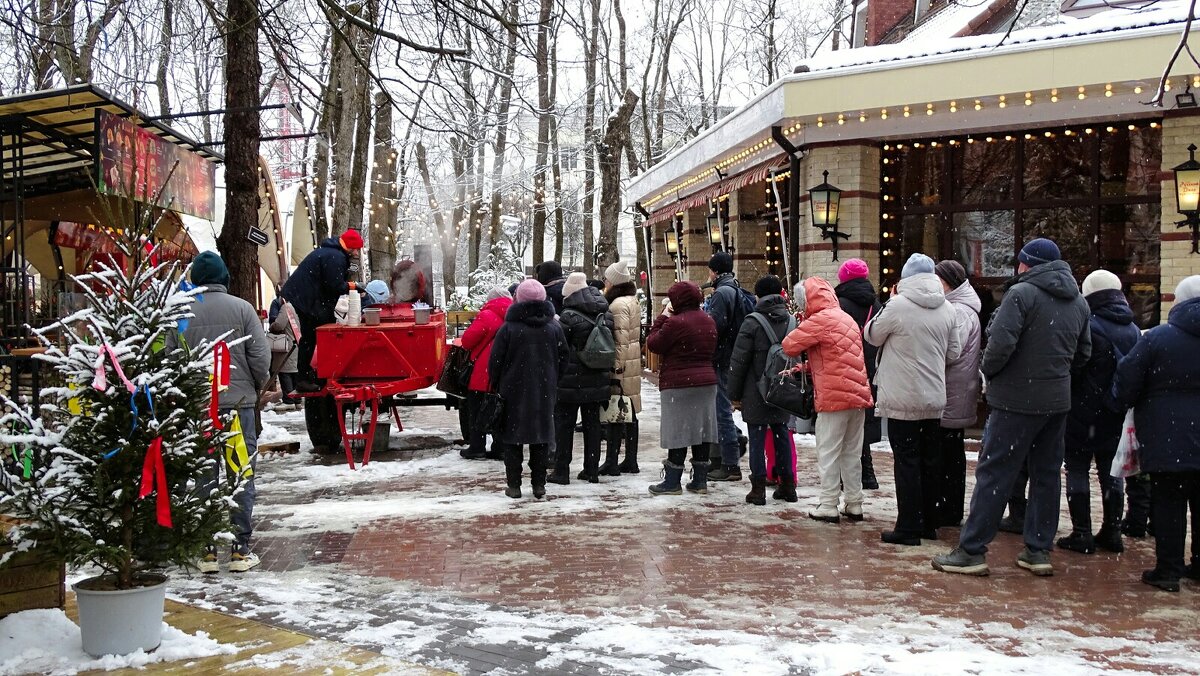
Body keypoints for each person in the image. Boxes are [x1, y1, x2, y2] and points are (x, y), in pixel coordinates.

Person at [933, 238, 1090, 577]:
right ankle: (1038, 550)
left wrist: (991, 371)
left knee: (995, 473)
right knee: (1047, 475)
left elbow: (1000, 346)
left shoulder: (1021, 294)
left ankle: (972, 550)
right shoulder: (1077, 300)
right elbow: (1083, 354)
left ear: (1025, 264)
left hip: (1015, 401)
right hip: (1056, 401)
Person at [179, 252, 271, 573]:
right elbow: (261, 359)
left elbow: (173, 360)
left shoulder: (183, 313)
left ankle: (205, 550)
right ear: (224, 277)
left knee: (204, 476)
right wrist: (253, 388)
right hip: (237, 408)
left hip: (200, 411)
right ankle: (239, 549)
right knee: (239, 474)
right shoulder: (243, 309)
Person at [1111, 275, 1200, 592]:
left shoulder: (1158, 339)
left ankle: (1168, 570)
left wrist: (1124, 400)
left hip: (1167, 437)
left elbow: (1127, 383)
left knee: (1169, 503)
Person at [864, 253, 960, 545]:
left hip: (903, 398)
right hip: (933, 398)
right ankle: (928, 523)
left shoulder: (897, 305)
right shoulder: (947, 308)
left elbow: (871, 335)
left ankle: (908, 526)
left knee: (906, 462)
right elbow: (954, 353)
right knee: (930, 461)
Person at [1059, 269, 1140, 554]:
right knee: (1111, 471)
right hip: (1114, 412)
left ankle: (1082, 533)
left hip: (1082, 411)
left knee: (1077, 468)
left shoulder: (1089, 325)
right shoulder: (1132, 328)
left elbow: (1076, 366)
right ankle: (1113, 531)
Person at [783, 276, 875, 520]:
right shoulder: (845, 318)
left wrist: (803, 322)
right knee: (851, 454)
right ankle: (854, 503)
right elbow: (836, 356)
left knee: (829, 452)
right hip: (857, 396)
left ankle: (827, 505)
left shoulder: (820, 320)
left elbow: (789, 345)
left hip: (834, 398)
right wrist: (805, 369)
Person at [488, 279, 569, 499]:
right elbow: (564, 358)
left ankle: (514, 485)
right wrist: (553, 381)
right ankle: (538, 485)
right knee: (541, 438)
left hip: (512, 391)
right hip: (544, 391)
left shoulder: (509, 328)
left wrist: (498, 384)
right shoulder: (553, 327)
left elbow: (495, 361)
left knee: (512, 439)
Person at [728, 276, 797, 506]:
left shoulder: (752, 322)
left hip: (755, 389)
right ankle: (787, 485)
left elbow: (739, 362)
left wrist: (734, 394)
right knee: (781, 435)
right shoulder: (790, 320)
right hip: (782, 388)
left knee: (757, 438)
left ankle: (758, 489)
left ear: (758, 295)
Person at [647, 281, 718, 496]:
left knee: (677, 432)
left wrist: (663, 316)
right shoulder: (708, 320)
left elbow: (653, 343)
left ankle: (672, 481)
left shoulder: (675, 323)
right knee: (702, 431)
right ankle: (700, 480)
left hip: (679, 384)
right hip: (706, 382)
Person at [549, 273, 615, 484]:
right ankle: (591, 470)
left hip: (569, 381)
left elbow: (560, 348)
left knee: (564, 426)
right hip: (597, 377)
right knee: (593, 425)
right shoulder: (605, 312)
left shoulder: (567, 317)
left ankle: (561, 471)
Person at [280, 229, 364, 391]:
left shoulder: (330, 252)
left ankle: (311, 372)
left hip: (305, 297)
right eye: (356, 249)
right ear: (351, 247)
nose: (356, 253)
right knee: (317, 335)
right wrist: (353, 286)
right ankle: (310, 375)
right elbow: (334, 285)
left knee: (314, 334)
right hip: (307, 300)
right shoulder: (336, 257)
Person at [933, 260, 982, 528]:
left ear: (948, 282)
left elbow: (951, 350)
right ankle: (947, 506)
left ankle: (948, 509)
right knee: (951, 452)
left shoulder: (959, 311)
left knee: (948, 454)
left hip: (952, 391)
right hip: (954, 389)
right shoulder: (958, 308)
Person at [834, 258, 883, 490]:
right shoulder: (876, 303)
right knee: (864, 419)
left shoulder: (839, 304)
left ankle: (849, 476)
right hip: (872, 365)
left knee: (847, 423)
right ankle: (868, 473)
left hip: (846, 366)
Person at [704, 251, 748, 482]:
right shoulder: (734, 288)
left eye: (710, 269)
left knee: (721, 410)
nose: (708, 274)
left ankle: (730, 463)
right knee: (721, 408)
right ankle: (727, 454)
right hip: (729, 356)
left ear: (716, 271)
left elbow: (715, 327)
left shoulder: (722, 293)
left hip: (721, 358)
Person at [459, 286, 513, 460]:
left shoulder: (487, 315)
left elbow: (467, 341)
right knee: (501, 408)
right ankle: (500, 446)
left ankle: (477, 446)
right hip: (506, 369)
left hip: (484, 370)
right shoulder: (514, 315)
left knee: (476, 408)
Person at [601, 260, 643, 475]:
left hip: (623, 365)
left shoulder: (617, 305)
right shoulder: (632, 301)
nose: (604, 282)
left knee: (616, 414)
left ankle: (612, 460)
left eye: (607, 278)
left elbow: (621, 339)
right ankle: (630, 459)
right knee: (630, 413)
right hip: (633, 362)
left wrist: (616, 368)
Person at [267, 291, 300, 407]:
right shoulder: (298, 305)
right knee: (294, 371)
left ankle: (288, 400)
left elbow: (279, 325)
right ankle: (297, 399)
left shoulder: (286, 307)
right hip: (297, 341)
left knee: (284, 371)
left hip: (287, 344)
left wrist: (271, 327)